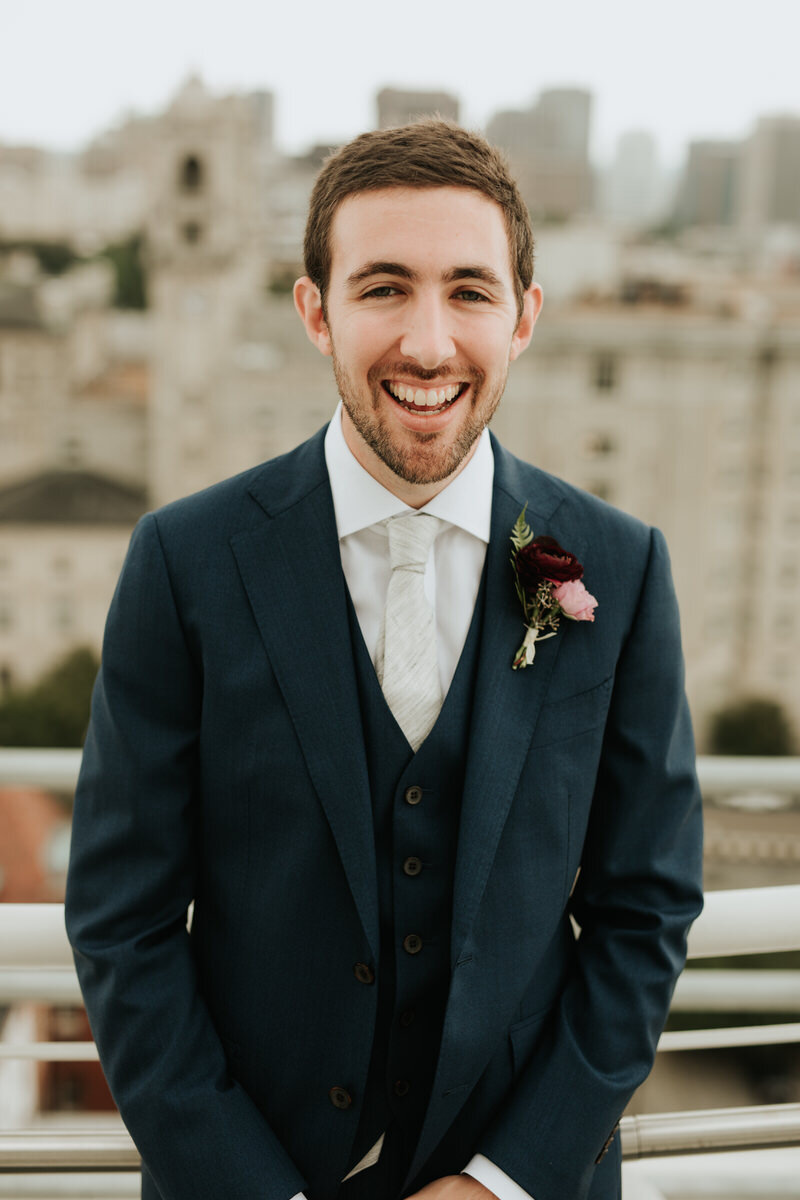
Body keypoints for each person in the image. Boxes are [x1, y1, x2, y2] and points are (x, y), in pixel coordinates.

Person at [65, 120, 703, 1200]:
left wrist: (503, 1180)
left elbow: (645, 909)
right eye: (382, 288)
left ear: (523, 318)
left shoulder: (619, 569)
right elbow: (121, 921)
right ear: (315, 311)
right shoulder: (182, 562)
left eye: (467, 290)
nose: (426, 342)